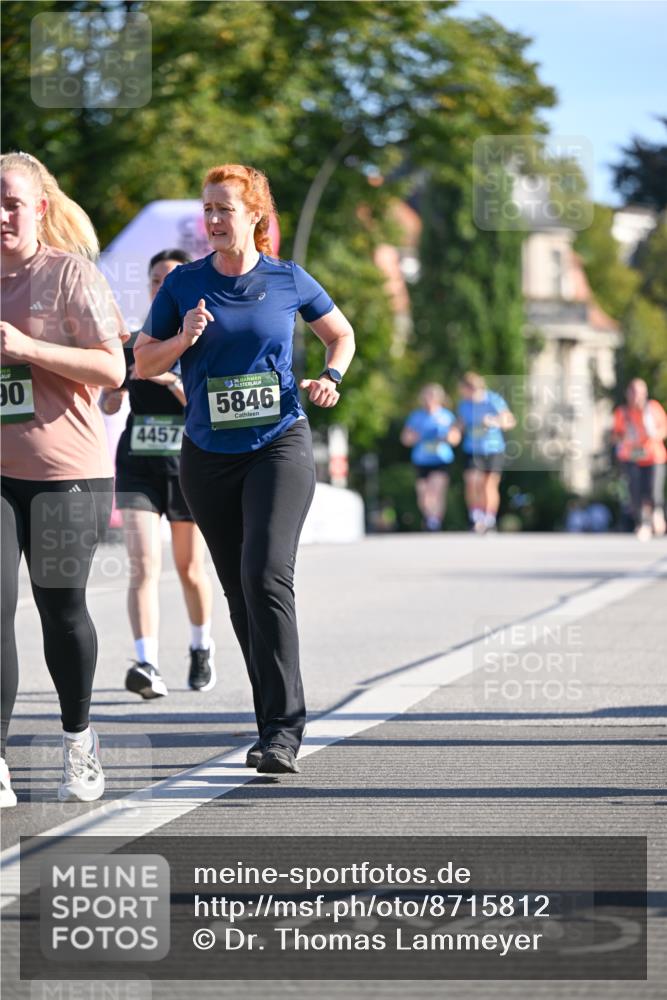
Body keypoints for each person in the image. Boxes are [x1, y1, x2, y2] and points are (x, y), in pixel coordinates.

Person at [133, 163, 355, 774]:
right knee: (238, 592)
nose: (212, 220)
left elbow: (342, 334)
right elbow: (144, 362)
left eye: (224, 209)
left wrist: (330, 377)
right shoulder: (183, 285)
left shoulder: (288, 279)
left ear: (255, 215)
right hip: (207, 457)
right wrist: (182, 339)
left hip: (279, 444)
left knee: (264, 574)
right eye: (207, 210)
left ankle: (284, 730)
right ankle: (268, 725)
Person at [1, 151, 127, 806]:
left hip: (64, 474)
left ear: (39, 209)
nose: (0, 216)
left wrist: (25, 349)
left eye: (11, 203)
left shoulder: (68, 274)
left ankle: (78, 740)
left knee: (61, 610)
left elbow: (113, 371)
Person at [101, 249, 214, 699]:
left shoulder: (203, 341)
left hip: (187, 466)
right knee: (143, 565)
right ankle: (147, 662)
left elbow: (202, 405)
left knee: (189, 569)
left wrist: (169, 377)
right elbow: (109, 402)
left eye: (170, 278)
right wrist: (113, 391)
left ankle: (201, 647)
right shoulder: (136, 343)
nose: (161, 286)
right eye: (154, 280)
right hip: (138, 467)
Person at [457, 372, 516, 534]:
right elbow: (460, 425)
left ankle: (489, 519)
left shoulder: (493, 399)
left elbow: (509, 421)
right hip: (472, 449)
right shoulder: (464, 405)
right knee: (472, 482)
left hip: (493, 448)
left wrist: (494, 421)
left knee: (489, 484)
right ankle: (475, 517)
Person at [612, 378, 667, 541]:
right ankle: (643, 523)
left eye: (640, 393)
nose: (637, 397)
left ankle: (656, 514)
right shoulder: (622, 412)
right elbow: (615, 435)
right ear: (628, 394)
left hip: (653, 456)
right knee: (635, 492)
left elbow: (664, 427)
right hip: (632, 457)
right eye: (634, 392)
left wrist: (655, 434)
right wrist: (623, 438)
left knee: (653, 491)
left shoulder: (653, 409)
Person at [400, 383, 460, 531]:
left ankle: (435, 521)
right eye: (426, 396)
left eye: (432, 396)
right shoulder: (416, 416)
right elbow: (405, 438)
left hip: (441, 459)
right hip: (421, 460)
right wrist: (414, 437)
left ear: (439, 399)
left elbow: (455, 437)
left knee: (436, 490)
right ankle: (429, 516)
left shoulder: (446, 416)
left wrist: (447, 438)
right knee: (423, 494)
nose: (428, 400)